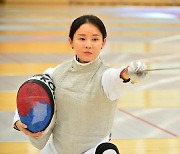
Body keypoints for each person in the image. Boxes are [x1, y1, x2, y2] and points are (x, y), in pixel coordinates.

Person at [13, 14, 147, 154]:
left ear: (103, 43)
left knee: (108, 152)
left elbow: (116, 77)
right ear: (71, 41)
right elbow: (32, 92)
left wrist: (127, 72)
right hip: (57, 150)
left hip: (92, 150)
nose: (88, 44)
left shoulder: (104, 77)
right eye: (82, 38)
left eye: (95, 39)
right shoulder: (57, 73)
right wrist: (18, 122)